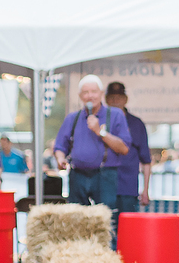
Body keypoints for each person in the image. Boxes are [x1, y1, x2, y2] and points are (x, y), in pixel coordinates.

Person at [53, 74, 131, 212]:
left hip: (105, 175)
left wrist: (100, 132)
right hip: (78, 175)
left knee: (104, 219)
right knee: (77, 218)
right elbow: (60, 146)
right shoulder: (73, 118)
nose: (90, 96)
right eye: (85, 92)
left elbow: (124, 148)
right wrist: (60, 158)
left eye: (94, 92)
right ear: (80, 96)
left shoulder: (115, 115)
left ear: (101, 94)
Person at [105, 81, 152, 214]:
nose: (115, 101)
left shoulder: (136, 124)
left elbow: (146, 160)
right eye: (112, 98)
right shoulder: (100, 121)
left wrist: (145, 190)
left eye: (119, 97)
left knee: (127, 228)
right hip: (104, 186)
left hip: (128, 187)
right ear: (106, 100)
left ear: (125, 99)